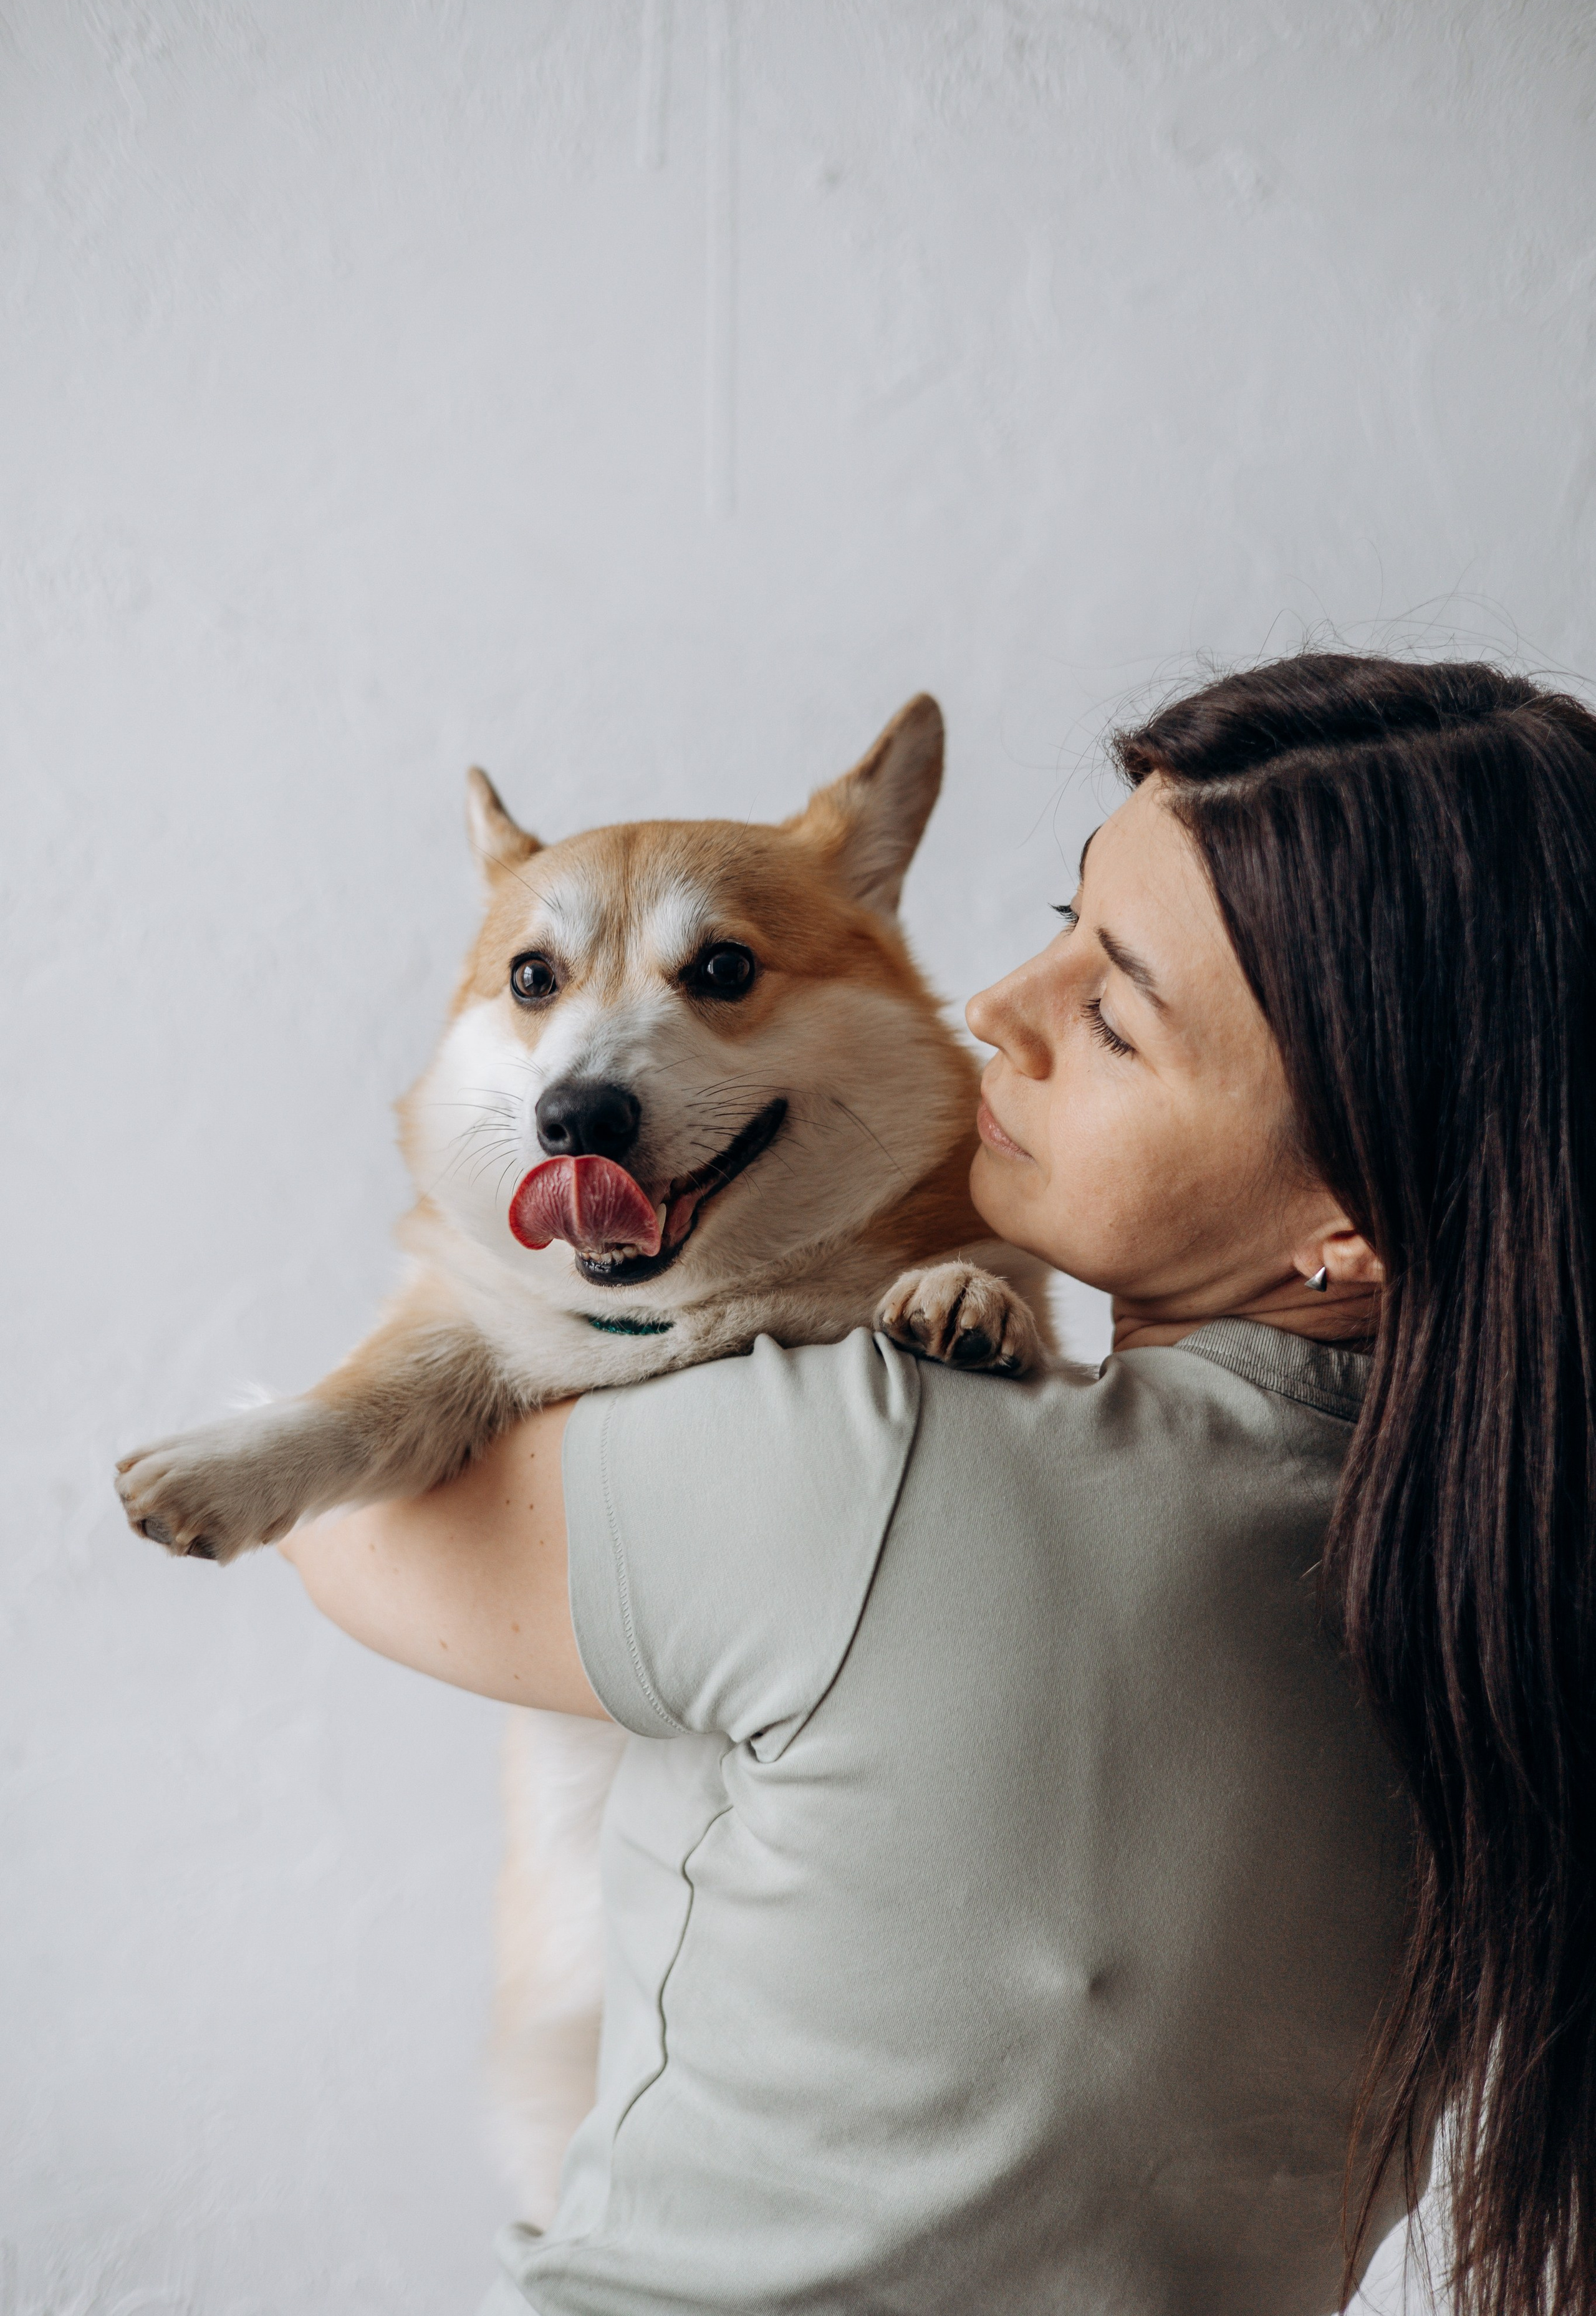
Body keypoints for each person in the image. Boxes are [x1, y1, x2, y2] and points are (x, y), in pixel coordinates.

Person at [277, 655, 1596, 2316]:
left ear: (1353, 1222)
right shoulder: (1506, 1599)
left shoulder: (871, 1474)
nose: (994, 1005)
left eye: (1113, 1011)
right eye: (1062, 918)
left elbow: (346, 1521)